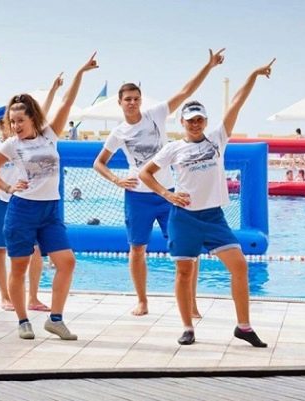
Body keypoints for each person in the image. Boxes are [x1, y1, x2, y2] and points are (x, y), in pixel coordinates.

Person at [139, 58, 275, 347]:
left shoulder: (216, 139)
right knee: (184, 272)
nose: (196, 123)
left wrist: (253, 73)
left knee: (239, 266)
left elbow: (236, 103)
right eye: (191, 120)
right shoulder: (173, 148)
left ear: (206, 121)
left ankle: (244, 326)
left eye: (200, 119)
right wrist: (166, 194)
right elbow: (145, 173)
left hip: (214, 217)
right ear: (182, 122)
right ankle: (187, 327)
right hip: (184, 217)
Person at [92, 49, 225, 317]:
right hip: (137, 197)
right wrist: (117, 179)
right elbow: (99, 163)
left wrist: (209, 66)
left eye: (136, 99)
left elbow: (186, 91)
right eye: (128, 99)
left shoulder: (156, 114)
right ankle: (142, 301)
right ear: (120, 102)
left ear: (141, 101)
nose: (132, 103)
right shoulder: (119, 133)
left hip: (168, 194)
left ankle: (192, 303)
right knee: (137, 248)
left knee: (187, 249)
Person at [0, 52, 99, 340]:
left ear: (32, 118)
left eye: (20, 120)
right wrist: (8, 188)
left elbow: (67, 102)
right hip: (22, 211)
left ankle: (55, 319)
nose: (16, 126)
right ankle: (23, 321)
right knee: (19, 267)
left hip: (50, 211)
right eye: (12, 121)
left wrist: (80, 73)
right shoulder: (11, 145)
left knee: (67, 262)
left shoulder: (49, 135)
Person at [0, 75, 62, 313]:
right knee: (1, 250)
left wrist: (53, 90)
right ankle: (5, 296)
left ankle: (33, 297)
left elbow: (42, 113)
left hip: (25, 203)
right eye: (7, 121)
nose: (11, 125)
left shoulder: (33, 141)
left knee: (35, 250)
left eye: (16, 120)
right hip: (1, 202)